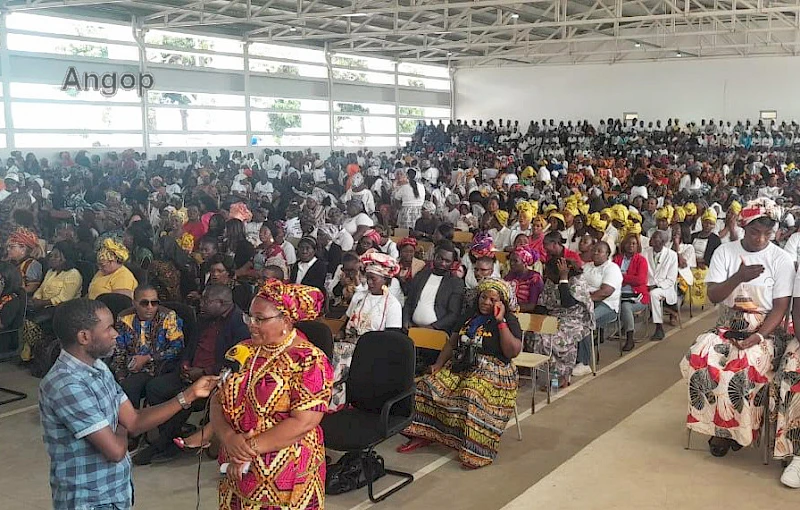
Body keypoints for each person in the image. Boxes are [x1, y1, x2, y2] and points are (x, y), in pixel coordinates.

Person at [38, 298, 217, 510]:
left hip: (114, 491)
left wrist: (189, 395)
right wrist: (122, 426)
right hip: (89, 499)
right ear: (84, 337)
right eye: (108, 329)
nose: (115, 334)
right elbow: (115, 451)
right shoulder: (67, 385)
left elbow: (134, 420)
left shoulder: (98, 368)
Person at [680, 198, 794, 464]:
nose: (762, 239)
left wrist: (759, 336)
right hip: (729, 325)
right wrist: (738, 277)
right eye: (755, 232)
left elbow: (780, 308)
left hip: (766, 328)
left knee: (742, 367)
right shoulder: (725, 252)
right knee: (701, 358)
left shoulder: (782, 259)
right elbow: (714, 295)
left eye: (768, 233)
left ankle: (736, 432)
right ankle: (716, 428)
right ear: (744, 227)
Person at [211, 279, 333, 510]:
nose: (251, 325)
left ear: (285, 320)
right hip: (238, 466)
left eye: (260, 319)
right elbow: (217, 401)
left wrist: (247, 450)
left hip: (286, 470)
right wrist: (229, 439)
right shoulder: (242, 351)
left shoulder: (308, 360)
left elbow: (304, 421)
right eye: (249, 317)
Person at [397, 278, 522, 469]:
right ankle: (422, 434)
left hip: (494, 370)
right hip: (463, 364)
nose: (486, 302)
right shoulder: (469, 315)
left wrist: (500, 322)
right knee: (425, 386)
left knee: (471, 394)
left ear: (501, 302)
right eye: (483, 297)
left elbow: (512, 352)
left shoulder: (509, 321)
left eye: (492, 299)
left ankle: (476, 451)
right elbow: (452, 342)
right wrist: (438, 364)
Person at [133, 284, 250, 465]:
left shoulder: (240, 325)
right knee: (155, 388)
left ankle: (161, 445)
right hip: (190, 370)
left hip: (213, 377)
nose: (201, 303)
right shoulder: (204, 318)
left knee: (187, 399)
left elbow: (235, 362)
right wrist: (186, 364)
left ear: (222, 303)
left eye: (206, 301)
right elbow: (190, 346)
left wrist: (203, 372)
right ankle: (173, 433)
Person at [331, 252, 403, 410]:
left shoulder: (392, 304)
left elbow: (392, 339)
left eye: (373, 279)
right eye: (367, 277)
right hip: (348, 345)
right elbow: (346, 323)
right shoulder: (359, 297)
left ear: (385, 280)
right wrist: (341, 334)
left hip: (373, 351)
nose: (369, 282)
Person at [111, 284, 185, 411]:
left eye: (154, 303)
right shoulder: (124, 317)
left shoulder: (168, 316)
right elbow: (119, 350)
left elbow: (177, 348)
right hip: (129, 365)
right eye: (144, 303)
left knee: (130, 387)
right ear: (134, 303)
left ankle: (134, 425)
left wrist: (148, 358)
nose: (150, 307)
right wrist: (121, 375)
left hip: (156, 366)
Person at [529, 257, 594, 385]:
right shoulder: (550, 281)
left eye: (550, 272)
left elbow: (567, 303)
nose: (547, 275)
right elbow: (542, 304)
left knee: (554, 340)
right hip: (555, 317)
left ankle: (562, 375)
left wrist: (563, 278)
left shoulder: (576, 281)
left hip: (575, 319)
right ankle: (548, 377)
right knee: (537, 336)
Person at [576, 241, 623, 373]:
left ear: (607, 254)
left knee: (585, 322)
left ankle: (584, 362)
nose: (595, 253)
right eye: (594, 250)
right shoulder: (587, 266)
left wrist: (585, 298)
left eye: (599, 251)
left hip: (607, 305)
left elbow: (605, 292)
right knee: (570, 317)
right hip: (586, 301)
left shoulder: (612, 269)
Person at [403, 241, 465, 333]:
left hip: (437, 332)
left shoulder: (455, 283)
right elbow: (409, 302)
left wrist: (433, 327)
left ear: (452, 263)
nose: (443, 263)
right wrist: (406, 320)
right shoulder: (421, 275)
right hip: (412, 328)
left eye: (447, 261)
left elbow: (453, 314)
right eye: (440, 258)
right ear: (434, 256)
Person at [612, 234, 650, 352]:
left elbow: (640, 280)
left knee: (625, 307)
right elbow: (612, 277)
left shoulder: (641, 260)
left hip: (638, 296)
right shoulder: (617, 259)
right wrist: (628, 278)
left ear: (637, 246)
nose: (631, 246)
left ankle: (629, 338)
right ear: (624, 245)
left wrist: (622, 277)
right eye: (628, 243)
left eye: (634, 244)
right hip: (618, 294)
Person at [643, 230, 679, 340]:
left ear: (662, 242)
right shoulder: (644, 253)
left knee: (654, 294)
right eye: (652, 238)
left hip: (665, 287)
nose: (651, 240)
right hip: (647, 285)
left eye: (654, 238)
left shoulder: (672, 255)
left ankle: (659, 328)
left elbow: (671, 280)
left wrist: (655, 285)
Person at [5, 226, 44, 295]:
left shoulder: (32, 264)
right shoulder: (10, 262)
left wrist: (13, 294)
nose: (8, 249)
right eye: (8, 247)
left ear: (23, 249)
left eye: (11, 247)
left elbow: (32, 287)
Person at [505, 245, 544, 312]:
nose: (511, 263)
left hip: (527, 315)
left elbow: (532, 305)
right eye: (510, 260)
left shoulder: (534, 278)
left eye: (515, 261)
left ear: (525, 262)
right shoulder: (510, 275)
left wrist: (513, 308)